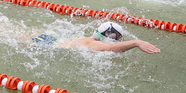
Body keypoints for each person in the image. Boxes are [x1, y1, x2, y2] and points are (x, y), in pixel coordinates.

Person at [32, 22, 160, 53]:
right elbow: (111, 47)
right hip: (46, 46)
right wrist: (137, 42)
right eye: (118, 37)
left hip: (52, 41)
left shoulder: (91, 40)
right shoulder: (95, 44)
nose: (120, 40)